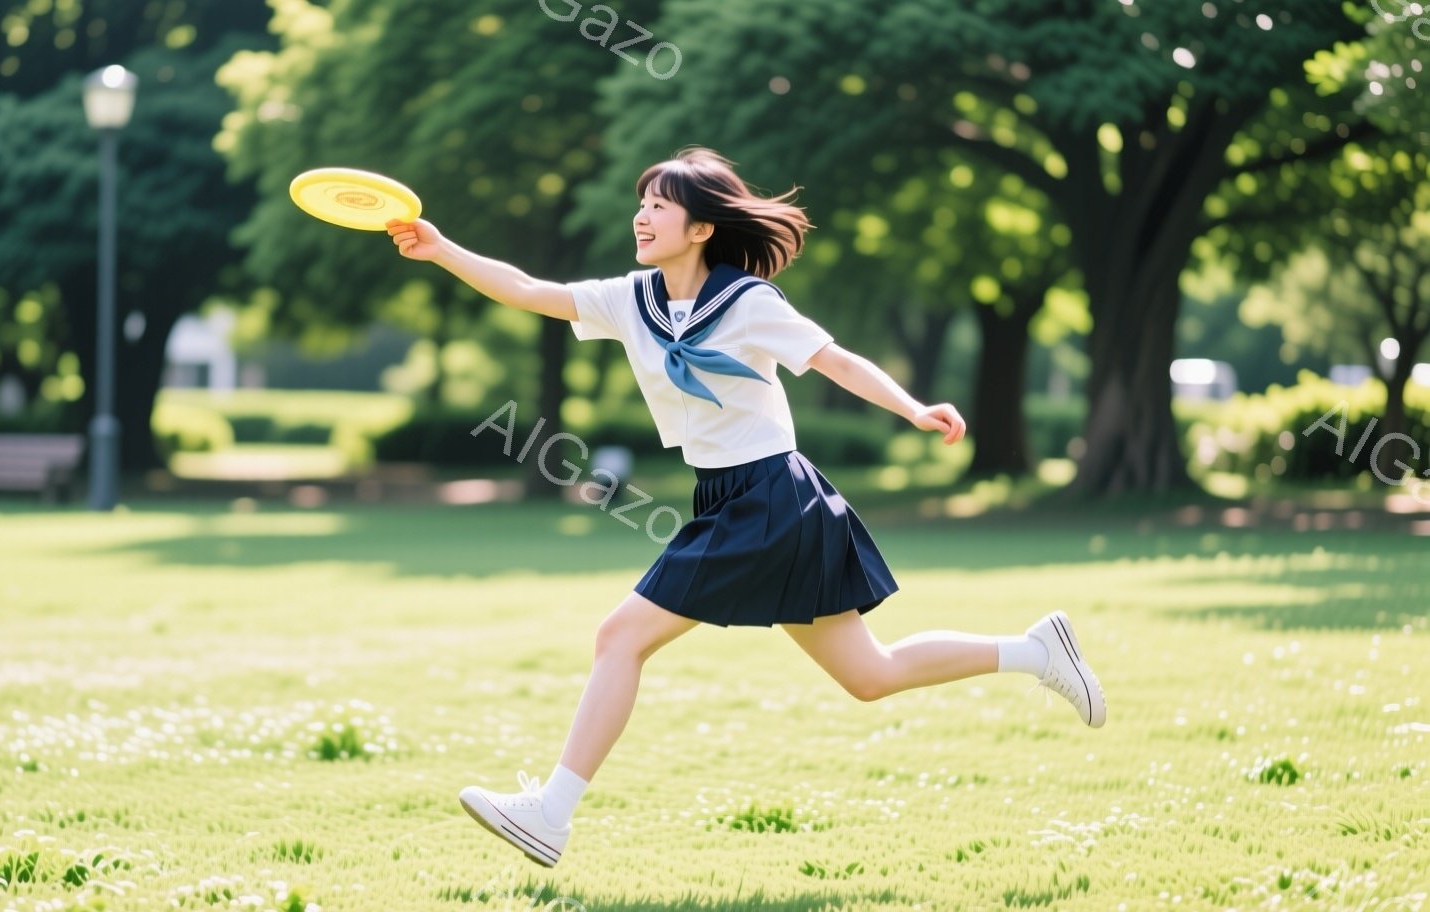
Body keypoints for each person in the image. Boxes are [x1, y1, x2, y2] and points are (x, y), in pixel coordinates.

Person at [385, 147, 1105, 869]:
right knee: (870, 675)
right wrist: (441, 249)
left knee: (620, 637)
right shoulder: (632, 299)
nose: (641, 215)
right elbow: (528, 288)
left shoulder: (748, 302)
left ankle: (552, 812)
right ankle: (1037, 651)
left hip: (770, 496)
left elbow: (836, 360)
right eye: (641, 203)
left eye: (659, 205)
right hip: (732, 498)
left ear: (701, 228)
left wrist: (915, 409)